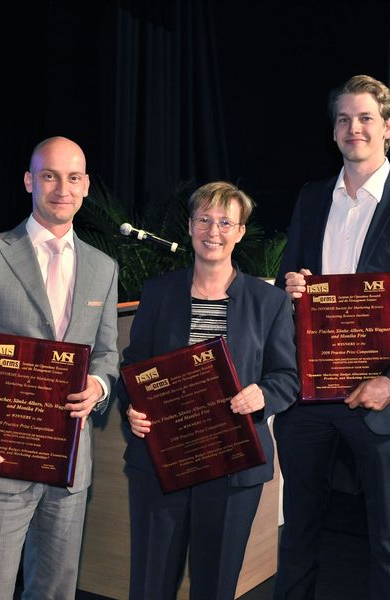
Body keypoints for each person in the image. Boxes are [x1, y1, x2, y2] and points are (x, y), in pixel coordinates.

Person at [273, 75, 390, 600]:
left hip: (379, 400)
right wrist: (292, 288)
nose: (353, 128)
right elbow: (293, 284)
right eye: (343, 119)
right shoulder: (311, 198)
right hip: (309, 397)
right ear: (333, 131)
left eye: (365, 118)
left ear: (389, 128)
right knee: (296, 535)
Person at [0, 136, 119, 599]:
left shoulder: (103, 268)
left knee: (56, 592)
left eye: (73, 177)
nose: (62, 188)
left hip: (70, 461)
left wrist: (98, 385)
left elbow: (107, 353)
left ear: (86, 185)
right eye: (50, 175)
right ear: (28, 181)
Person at [121, 181, 298, 599]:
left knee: (215, 588)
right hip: (161, 463)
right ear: (189, 226)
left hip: (233, 466)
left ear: (239, 232)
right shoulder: (159, 292)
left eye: (224, 222)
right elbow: (133, 367)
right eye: (204, 219)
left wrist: (263, 395)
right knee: (150, 585)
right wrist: (133, 406)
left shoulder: (267, 301)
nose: (213, 231)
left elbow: (287, 377)